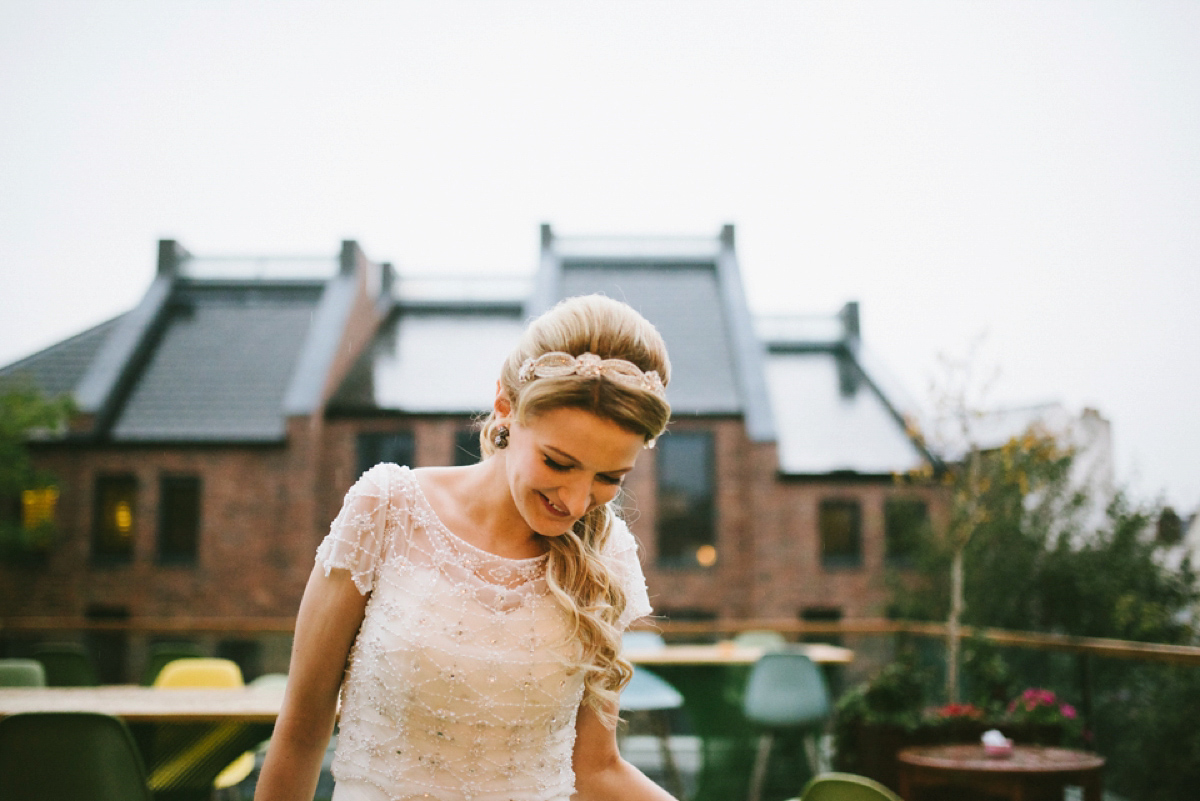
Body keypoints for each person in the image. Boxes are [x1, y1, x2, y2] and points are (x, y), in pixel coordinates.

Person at [255, 295, 677, 801]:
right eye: (558, 462)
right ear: (505, 407)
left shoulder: (606, 552)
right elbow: (302, 734)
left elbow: (597, 769)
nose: (576, 501)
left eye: (609, 478)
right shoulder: (386, 508)